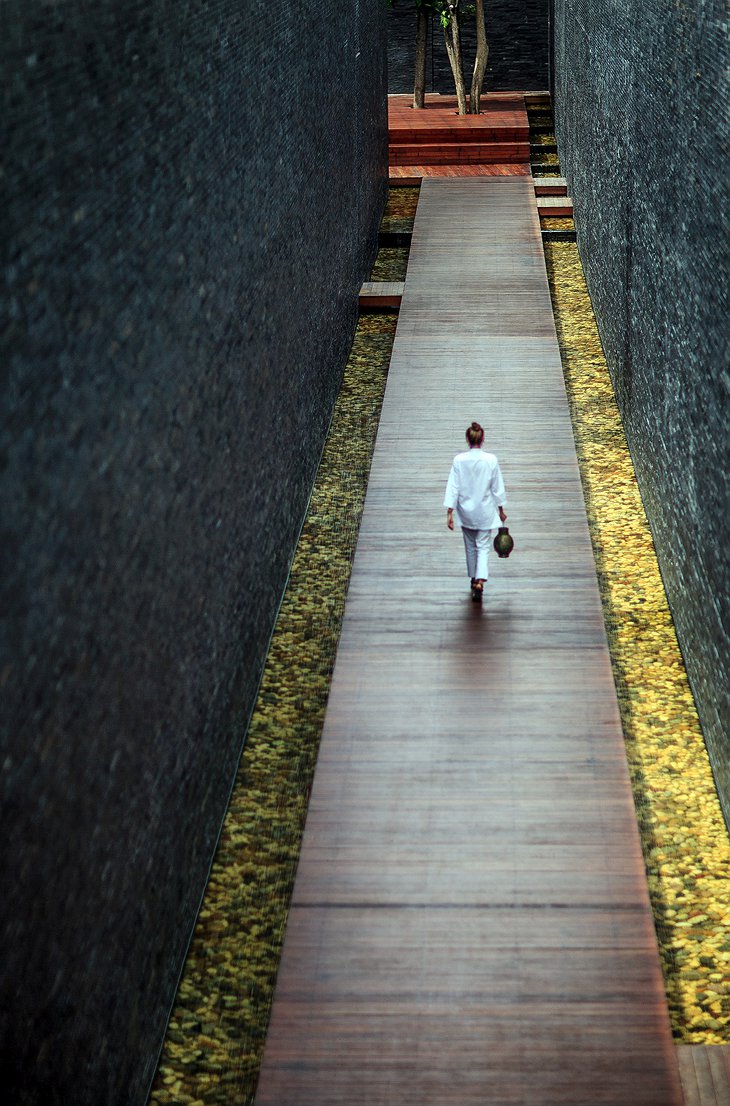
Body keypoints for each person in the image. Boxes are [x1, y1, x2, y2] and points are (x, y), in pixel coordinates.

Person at [444, 421, 507, 601]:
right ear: (482, 439)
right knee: (483, 547)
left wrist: (450, 512)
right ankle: (480, 579)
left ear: (467, 439)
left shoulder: (459, 460)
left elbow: (453, 487)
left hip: (465, 510)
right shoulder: (491, 460)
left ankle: (473, 578)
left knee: (470, 547)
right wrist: (501, 509)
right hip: (485, 510)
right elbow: (497, 488)